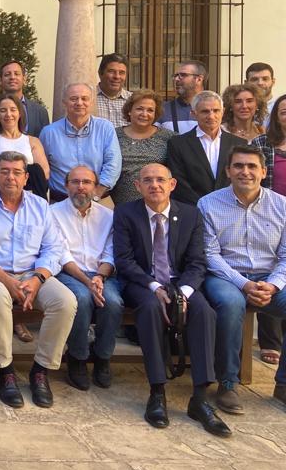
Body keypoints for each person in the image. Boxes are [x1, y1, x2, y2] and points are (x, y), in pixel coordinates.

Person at [112, 163, 230, 437]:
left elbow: (197, 262)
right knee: (151, 308)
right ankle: (157, 392)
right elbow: (124, 261)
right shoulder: (125, 213)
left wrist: (185, 293)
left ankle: (200, 398)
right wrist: (154, 286)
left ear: (172, 184)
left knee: (204, 312)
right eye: (148, 181)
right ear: (138, 186)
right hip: (143, 281)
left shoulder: (190, 214)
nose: (155, 185)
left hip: (181, 282)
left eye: (160, 180)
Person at [0, 151, 75, 408]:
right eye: (4, 171)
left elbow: (54, 249)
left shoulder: (40, 206)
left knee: (66, 302)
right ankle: (5, 371)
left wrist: (38, 279)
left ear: (26, 178)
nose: (10, 177)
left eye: (17, 172)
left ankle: (40, 370)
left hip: (33, 274)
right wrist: (8, 281)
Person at [198, 145, 286, 414]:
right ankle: (228, 383)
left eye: (251, 166)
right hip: (226, 277)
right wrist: (244, 284)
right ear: (228, 171)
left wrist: (273, 285)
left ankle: (283, 385)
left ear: (263, 171)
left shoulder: (282, 206)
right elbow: (211, 256)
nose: (244, 172)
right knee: (231, 304)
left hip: (269, 277)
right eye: (238, 166)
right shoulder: (209, 203)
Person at [50, 166, 123, 390]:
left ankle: (102, 358)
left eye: (87, 182)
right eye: (75, 182)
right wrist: (86, 281)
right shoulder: (52, 212)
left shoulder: (109, 215)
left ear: (95, 187)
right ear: (66, 186)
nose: (81, 187)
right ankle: (77, 358)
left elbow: (112, 251)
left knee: (113, 302)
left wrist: (100, 277)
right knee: (81, 299)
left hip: (102, 273)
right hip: (70, 273)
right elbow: (59, 253)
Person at [39, 83, 121, 201]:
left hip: (98, 201)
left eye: (84, 98)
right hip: (59, 203)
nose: (79, 103)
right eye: (73, 99)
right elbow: (43, 170)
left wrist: (97, 193)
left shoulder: (105, 128)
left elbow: (113, 163)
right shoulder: (49, 133)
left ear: (92, 102)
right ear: (64, 102)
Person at [165, 90, 245, 205]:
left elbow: (241, 177)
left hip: (231, 207)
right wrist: (202, 205)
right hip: (193, 210)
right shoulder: (178, 144)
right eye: (205, 111)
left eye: (216, 110)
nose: (211, 116)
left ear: (223, 112)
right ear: (193, 114)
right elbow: (179, 182)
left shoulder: (238, 143)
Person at [253, 92, 286, 364]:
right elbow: (251, 177)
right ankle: (270, 342)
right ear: (276, 116)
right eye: (284, 111)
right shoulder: (263, 142)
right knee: (268, 270)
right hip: (269, 214)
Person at [0, 94, 49, 197]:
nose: (8, 114)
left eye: (13, 110)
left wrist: (10, 179)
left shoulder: (33, 141)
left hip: (30, 197)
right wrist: (18, 180)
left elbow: (44, 172)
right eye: (3, 110)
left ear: (20, 113)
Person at [111, 89, 174, 205]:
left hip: (157, 203)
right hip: (124, 205)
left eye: (150, 110)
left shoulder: (169, 137)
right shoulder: (113, 135)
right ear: (129, 111)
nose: (144, 114)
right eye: (139, 109)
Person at [0, 60, 50, 137]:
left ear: (24, 79)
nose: (12, 77)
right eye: (7, 74)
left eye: (17, 74)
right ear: (0, 81)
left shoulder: (40, 112)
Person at [159, 60, 207, 134]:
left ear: (199, 79)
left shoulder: (216, 109)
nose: (176, 79)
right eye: (175, 76)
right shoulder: (163, 110)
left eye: (183, 75)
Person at [95, 53, 132, 128]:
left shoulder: (133, 100)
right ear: (100, 73)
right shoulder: (88, 98)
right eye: (111, 71)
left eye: (121, 73)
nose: (117, 76)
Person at [246, 62, 276, 128]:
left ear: (273, 82)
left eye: (265, 79)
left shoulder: (280, 106)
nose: (260, 83)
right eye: (254, 79)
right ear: (246, 83)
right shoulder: (240, 107)